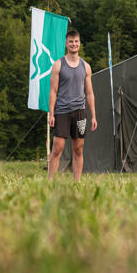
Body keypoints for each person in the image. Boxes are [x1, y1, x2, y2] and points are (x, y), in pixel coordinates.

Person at [47, 29, 98, 181]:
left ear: (80, 43)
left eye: (76, 41)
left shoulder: (86, 66)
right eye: (71, 41)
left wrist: (94, 116)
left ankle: (77, 182)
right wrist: (51, 113)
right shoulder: (58, 65)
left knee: (78, 149)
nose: (74, 44)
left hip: (80, 112)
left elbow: (89, 93)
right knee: (58, 148)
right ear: (66, 44)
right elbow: (53, 91)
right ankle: (49, 182)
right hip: (62, 111)